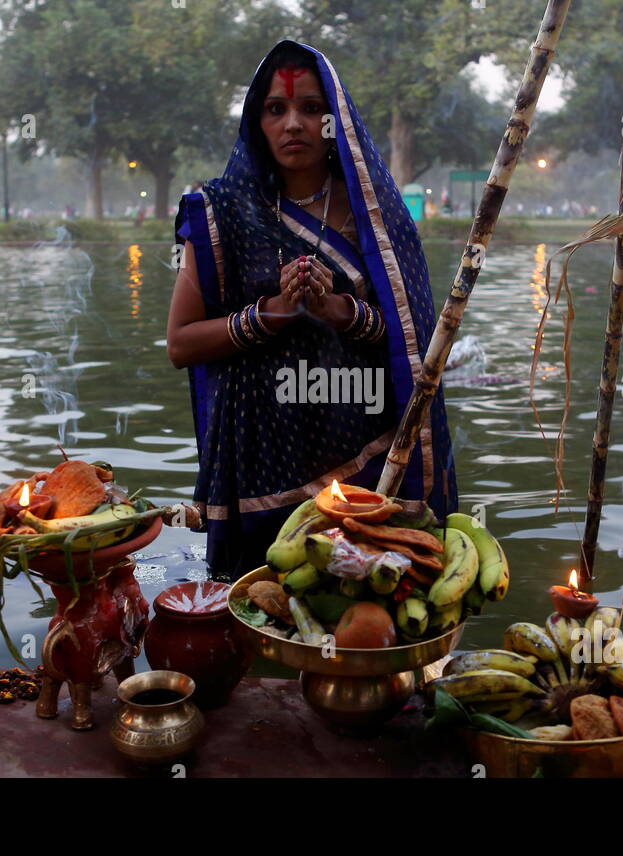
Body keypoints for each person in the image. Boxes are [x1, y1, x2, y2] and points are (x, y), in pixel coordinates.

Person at [167, 41, 457, 578]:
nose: (293, 123)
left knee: (359, 611)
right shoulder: (221, 211)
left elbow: (417, 344)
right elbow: (181, 344)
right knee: (263, 603)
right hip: (257, 462)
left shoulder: (376, 212)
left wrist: (338, 310)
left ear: (335, 119)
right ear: (258, 122)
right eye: (276, 109)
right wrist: (271, 313)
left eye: (311, 108)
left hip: (363, 456)